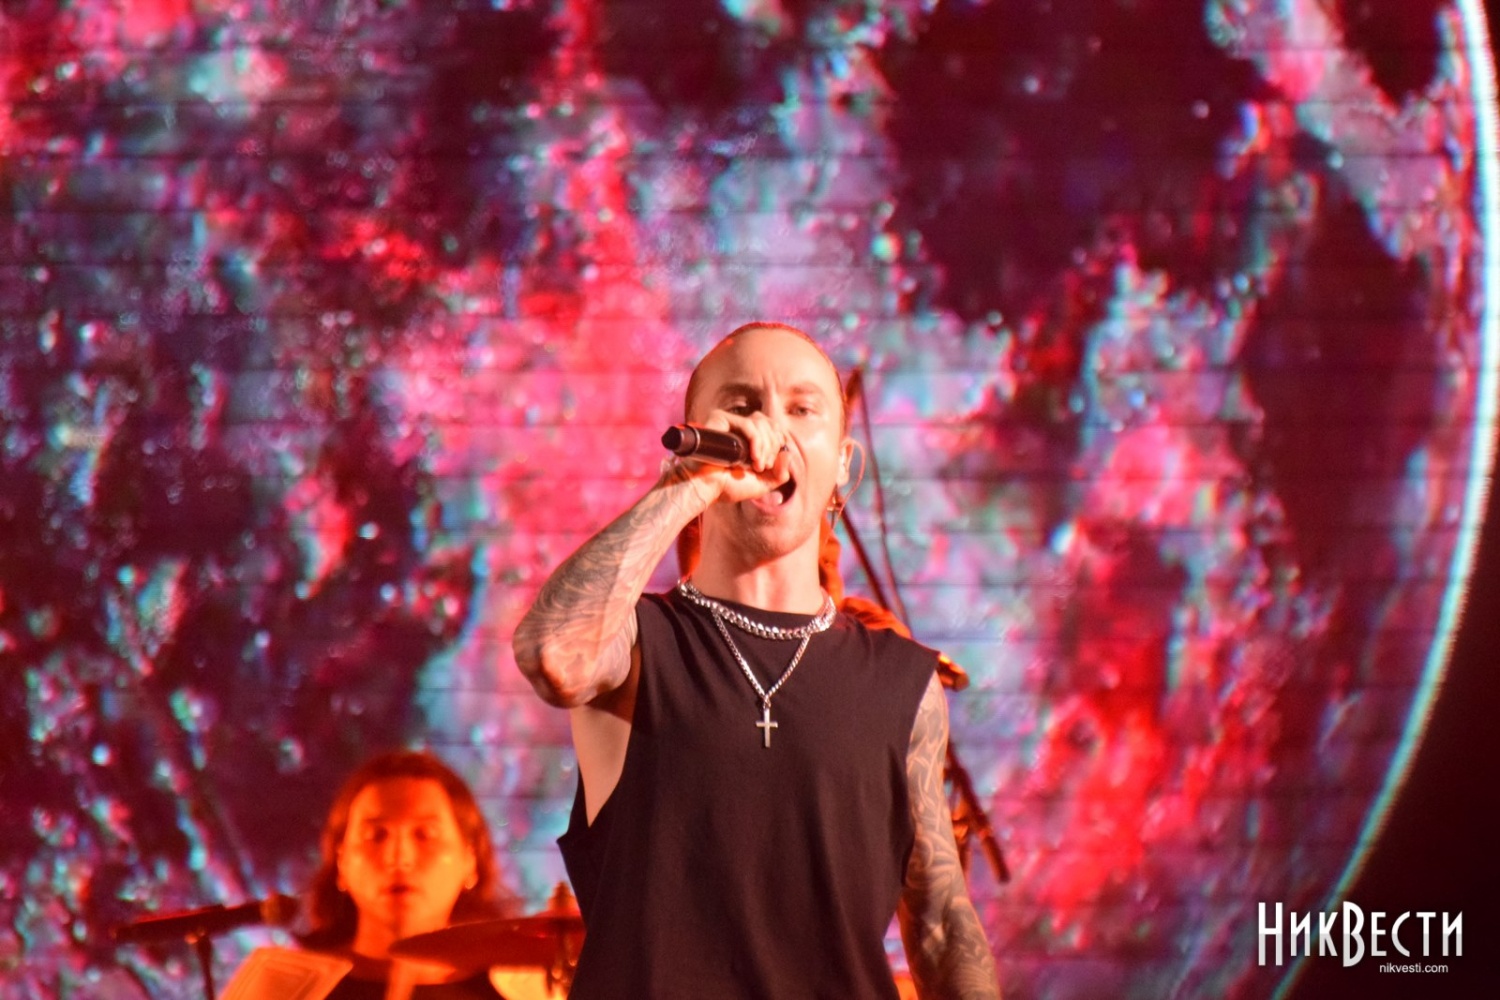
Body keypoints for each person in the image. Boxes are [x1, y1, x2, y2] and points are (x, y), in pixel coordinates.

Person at [512, 322, 1000, 998]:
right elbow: (552, 655)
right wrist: (687, 487)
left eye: (802, 409)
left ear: (843, 465)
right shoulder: (636, 644)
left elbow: (942, 924)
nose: (769, 430)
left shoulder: (903, 683)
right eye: (741, 405)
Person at [298, 749, 513, 999]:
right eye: (376, 835)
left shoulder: (515, 992)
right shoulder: (296, 990)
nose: (399, 858)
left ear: (469, 861)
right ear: (341, 862)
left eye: (425, 835)